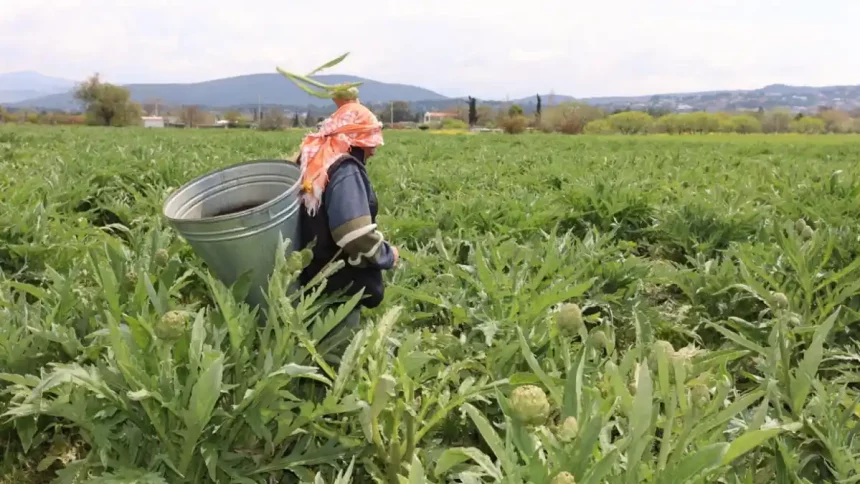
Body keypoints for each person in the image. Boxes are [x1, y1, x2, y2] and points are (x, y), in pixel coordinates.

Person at [297, 97, 398, 358]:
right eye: (369, 143)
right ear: (354, 141)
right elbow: (355, 235)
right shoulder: (345, 170)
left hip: (311, 277)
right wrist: (387, 255)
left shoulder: (313, 161)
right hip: (338, 285)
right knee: (334, 361)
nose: (373, 151)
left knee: (311, 350)